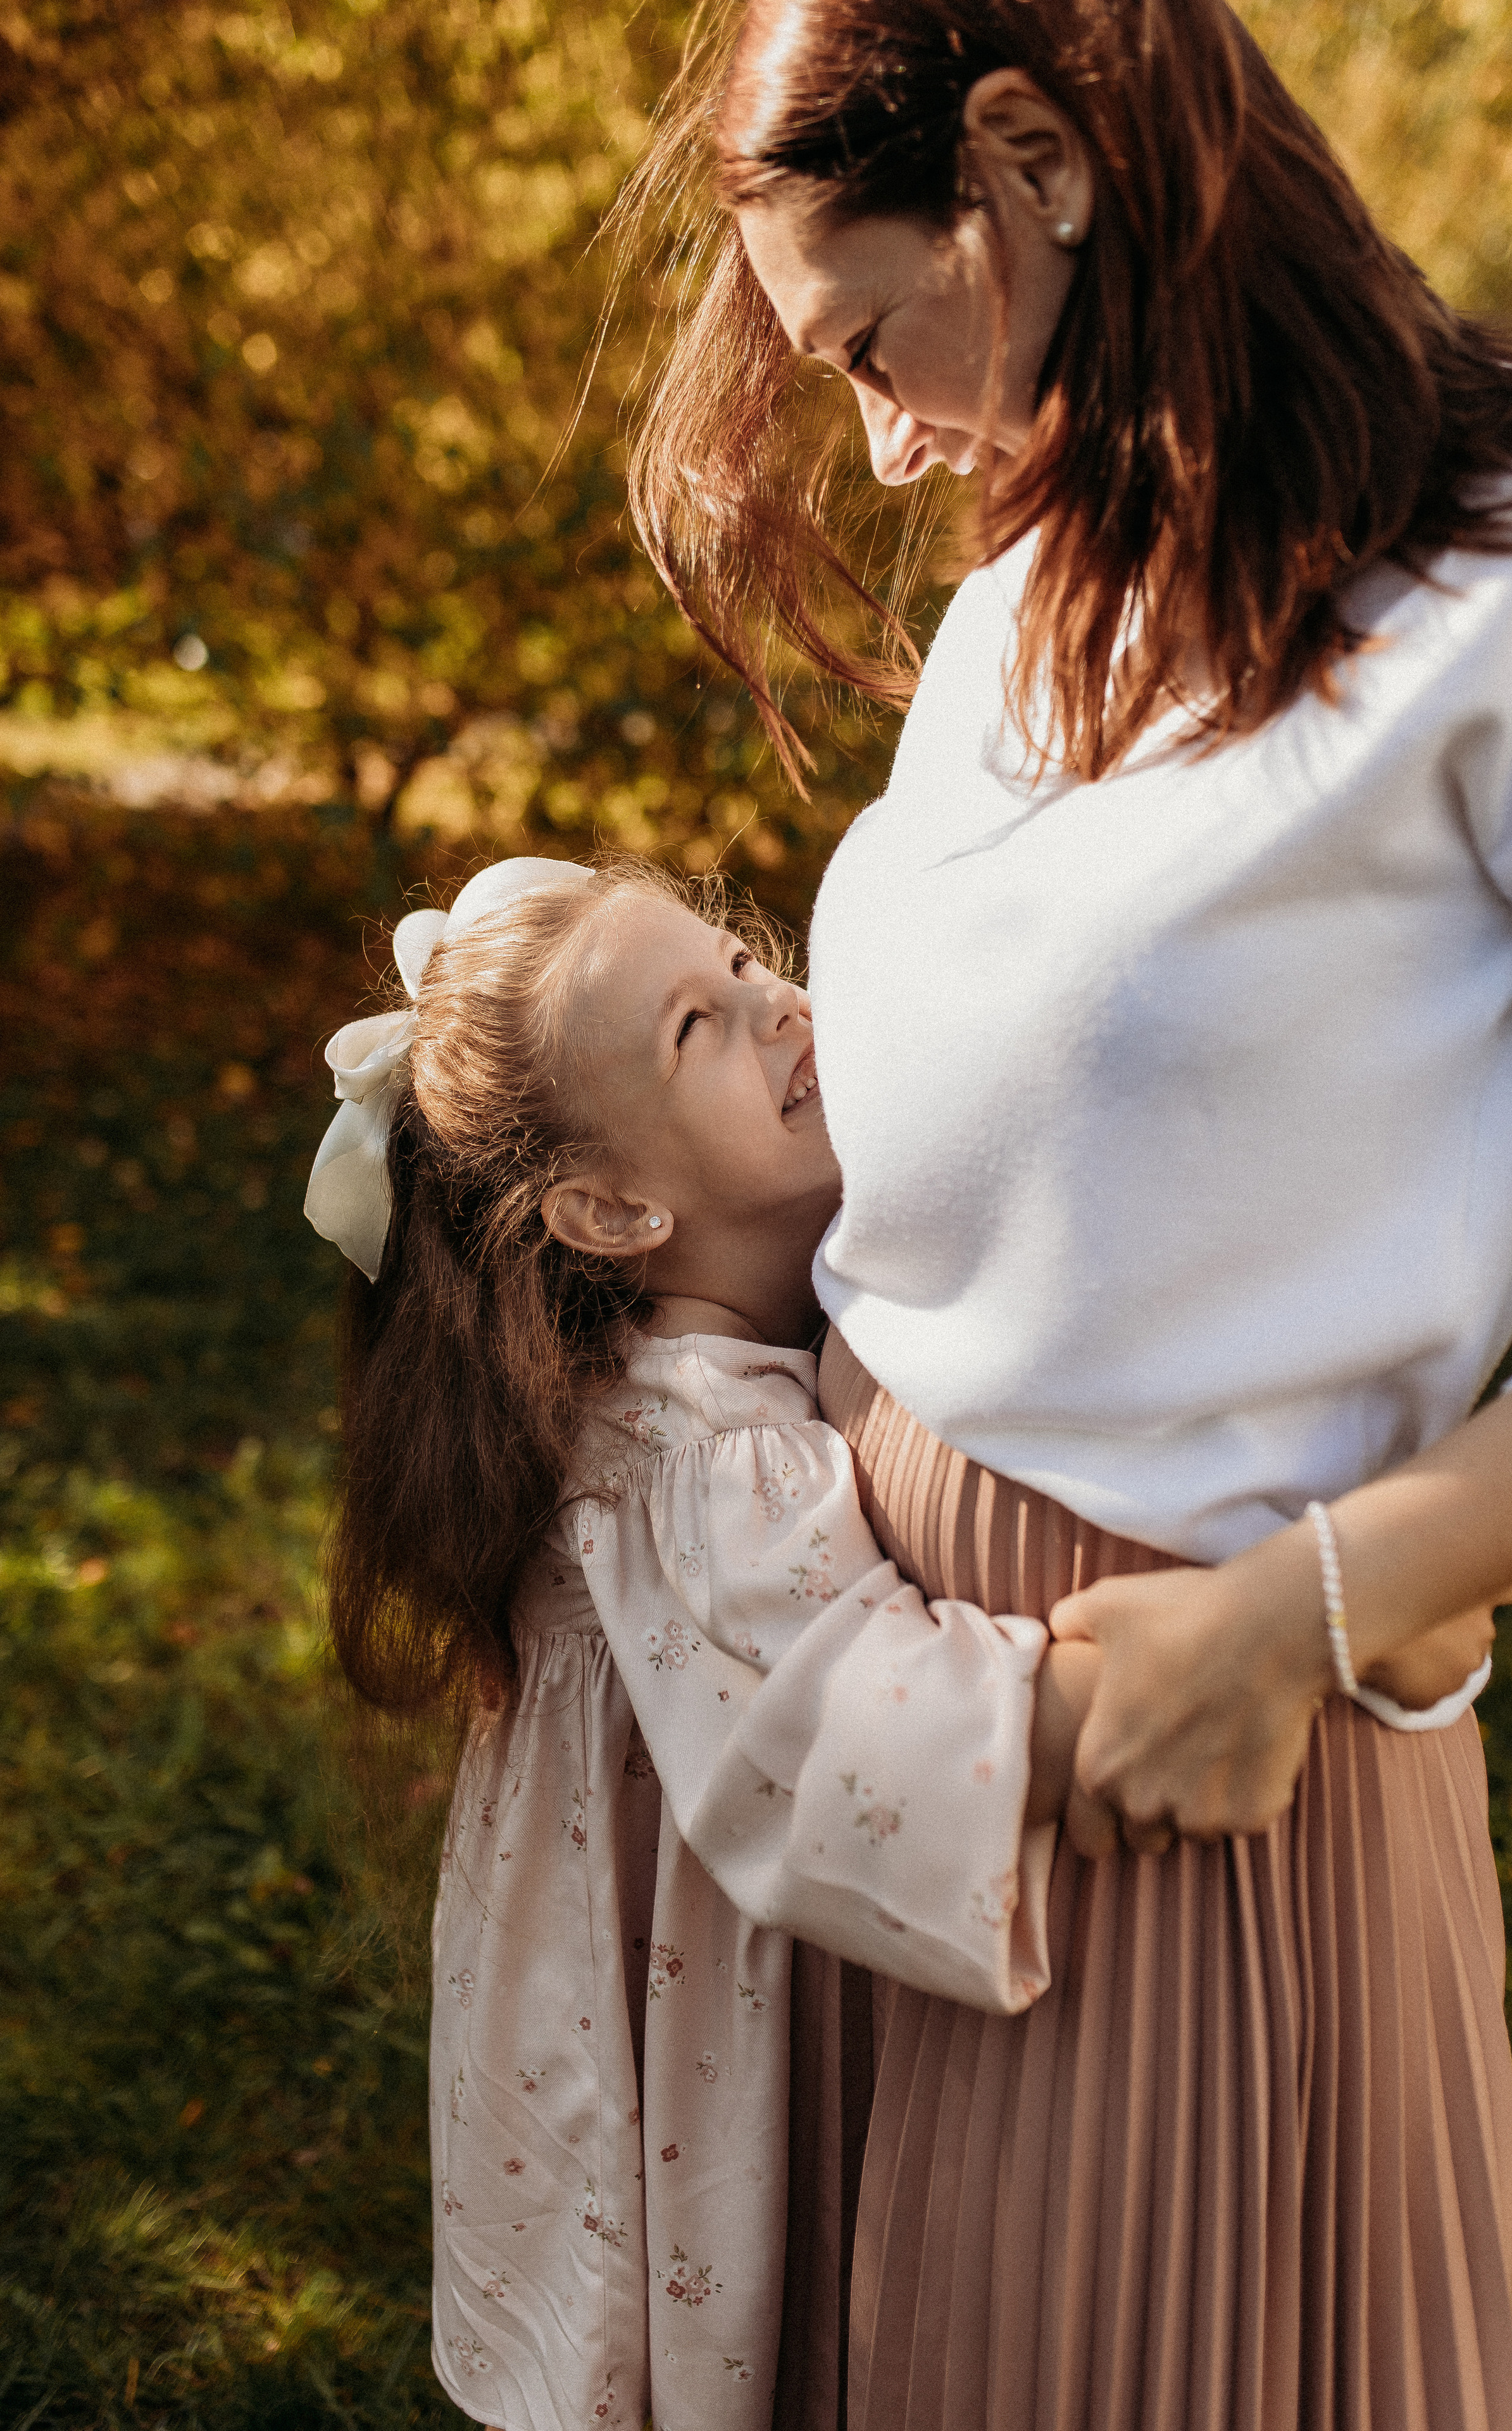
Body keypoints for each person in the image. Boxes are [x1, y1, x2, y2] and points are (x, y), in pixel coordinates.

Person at [626, 1, 1512, 2424]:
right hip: (895, 1749)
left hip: (1179, 1766)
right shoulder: (1039, 567)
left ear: (1033, 158)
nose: (874, 434)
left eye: (873, 337)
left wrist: (1295, 1621)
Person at [306, 853, 1118, 2429]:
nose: (784, 1003)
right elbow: (842, 1742)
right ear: (612, 1208)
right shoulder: (696, 1465)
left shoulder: (684, 1375)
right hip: (682, 2021)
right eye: (704, 1023)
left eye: (747, 966)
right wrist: (1129, 1686)